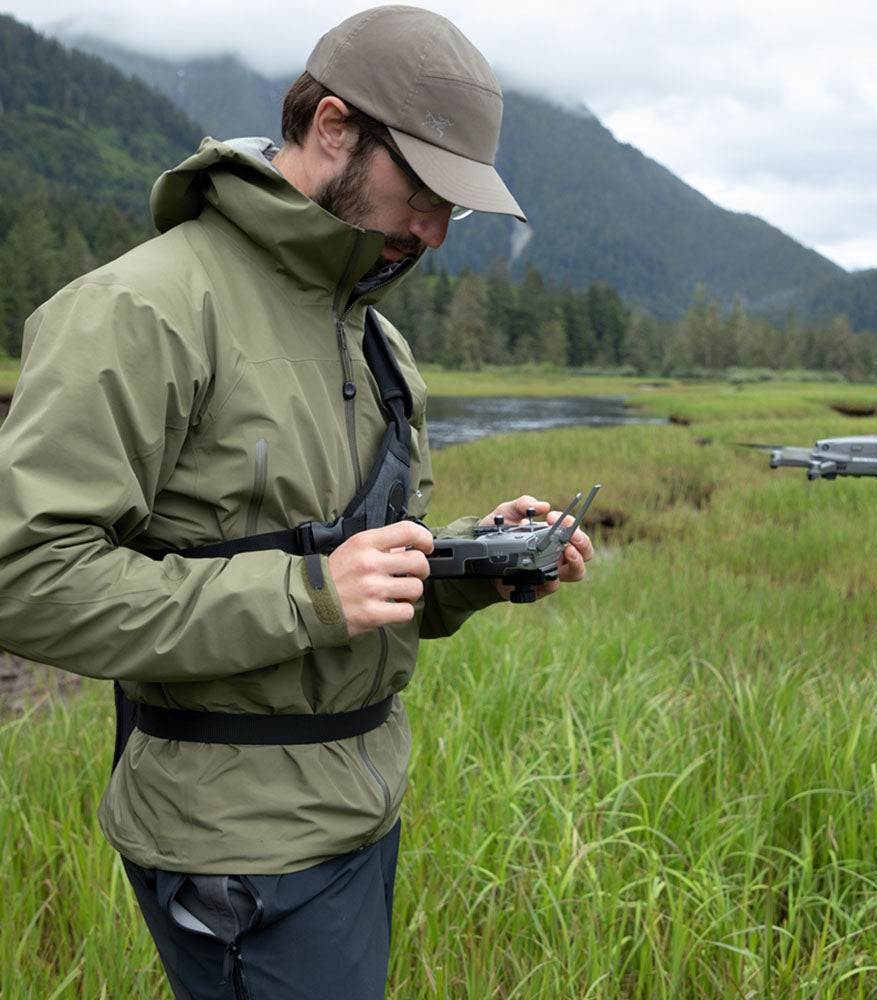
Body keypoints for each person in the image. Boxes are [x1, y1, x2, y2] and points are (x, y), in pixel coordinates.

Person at [0, 6, 593, 999]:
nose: (437, 232)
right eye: (425, 193)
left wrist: (475, 567)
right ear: (330, 128)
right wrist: (308, 593)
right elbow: (24, 577)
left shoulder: (375, 342)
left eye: (460, 210)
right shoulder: (144, 310)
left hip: (360, 809)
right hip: (238, 850)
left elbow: (352, 579)